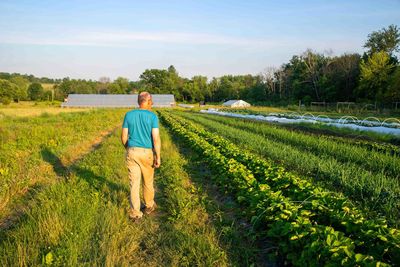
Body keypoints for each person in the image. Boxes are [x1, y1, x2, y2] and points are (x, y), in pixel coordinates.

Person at [121, 92, 161, 222]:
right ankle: (149, 206)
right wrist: (158, 156)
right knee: (148, 181)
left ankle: (135, 213)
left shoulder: (128, 115)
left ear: (139, 101)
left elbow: (123, 137)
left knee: (134, 184)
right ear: (148, 101)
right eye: (151, 101)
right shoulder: (152, 116)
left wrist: (129, 148)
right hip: (146, 153)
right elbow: (155, 139)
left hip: (132, 151)